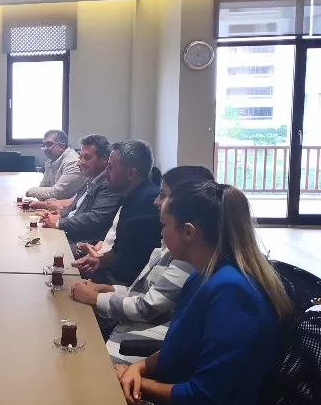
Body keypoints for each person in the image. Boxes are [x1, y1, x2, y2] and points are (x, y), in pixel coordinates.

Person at [116, 181, 291, 405]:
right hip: (172, 394)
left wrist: (139, 382)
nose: (161, 233)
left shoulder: (231, 291)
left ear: (188, 232)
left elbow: (204, 396)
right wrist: (139, 367)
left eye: (164, 225)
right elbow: (180, 347)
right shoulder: (203, 276)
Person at [70, 166, 215, 363]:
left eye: (163, 195)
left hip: (138, 343)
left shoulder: (189, 257)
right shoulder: (175, 246)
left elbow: (147, 307)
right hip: (129, 330)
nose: (156, 201)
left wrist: (95, 298)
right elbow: (145, 292)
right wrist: (104, 289)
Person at [71, 140, 162, 288]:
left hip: (123, 288)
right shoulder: (130, 195)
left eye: (110, 167)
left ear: (131, 173)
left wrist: (97, 289)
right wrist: (99, 260)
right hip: (110, 275)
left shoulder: (148, 204)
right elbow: (120, 250)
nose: (105, 173)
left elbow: (132, 267)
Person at [37, 134, 120, 244]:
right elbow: (74, 208)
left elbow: (95, 218)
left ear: (104, 159)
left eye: (87, 158)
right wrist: (56, 215)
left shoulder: (109, 183)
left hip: (83, 242)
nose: (80, 162)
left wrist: (58, 222)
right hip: (70, 233)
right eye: (80, 157)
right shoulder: (90, 179)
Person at [26, 130, 85, 205]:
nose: (45, 149)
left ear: (61, 146)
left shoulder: (73, 162)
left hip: (72, 208)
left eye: (49, 144)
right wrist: (46, 199)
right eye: (44, 145)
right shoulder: (50, 161)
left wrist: (30, 191)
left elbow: (58, 193)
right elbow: (43, 186)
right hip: (56, 206)